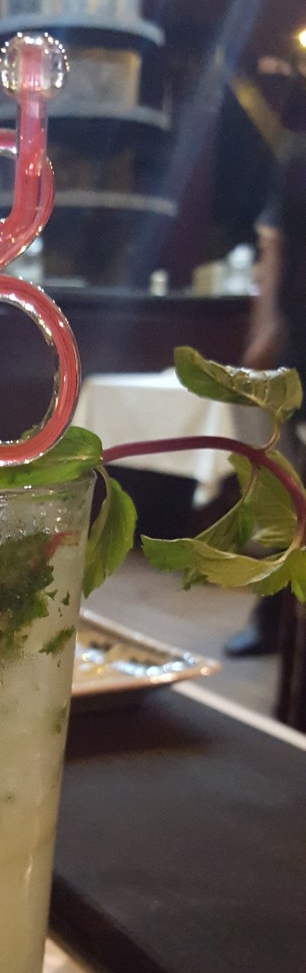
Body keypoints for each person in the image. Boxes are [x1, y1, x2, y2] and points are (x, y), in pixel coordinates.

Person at [224, 105, 306, 658]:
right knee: (283, 490)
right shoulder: (297, 159)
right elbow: (273, 253)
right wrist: (261, 343)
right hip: (298, 341)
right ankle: (276, 616)